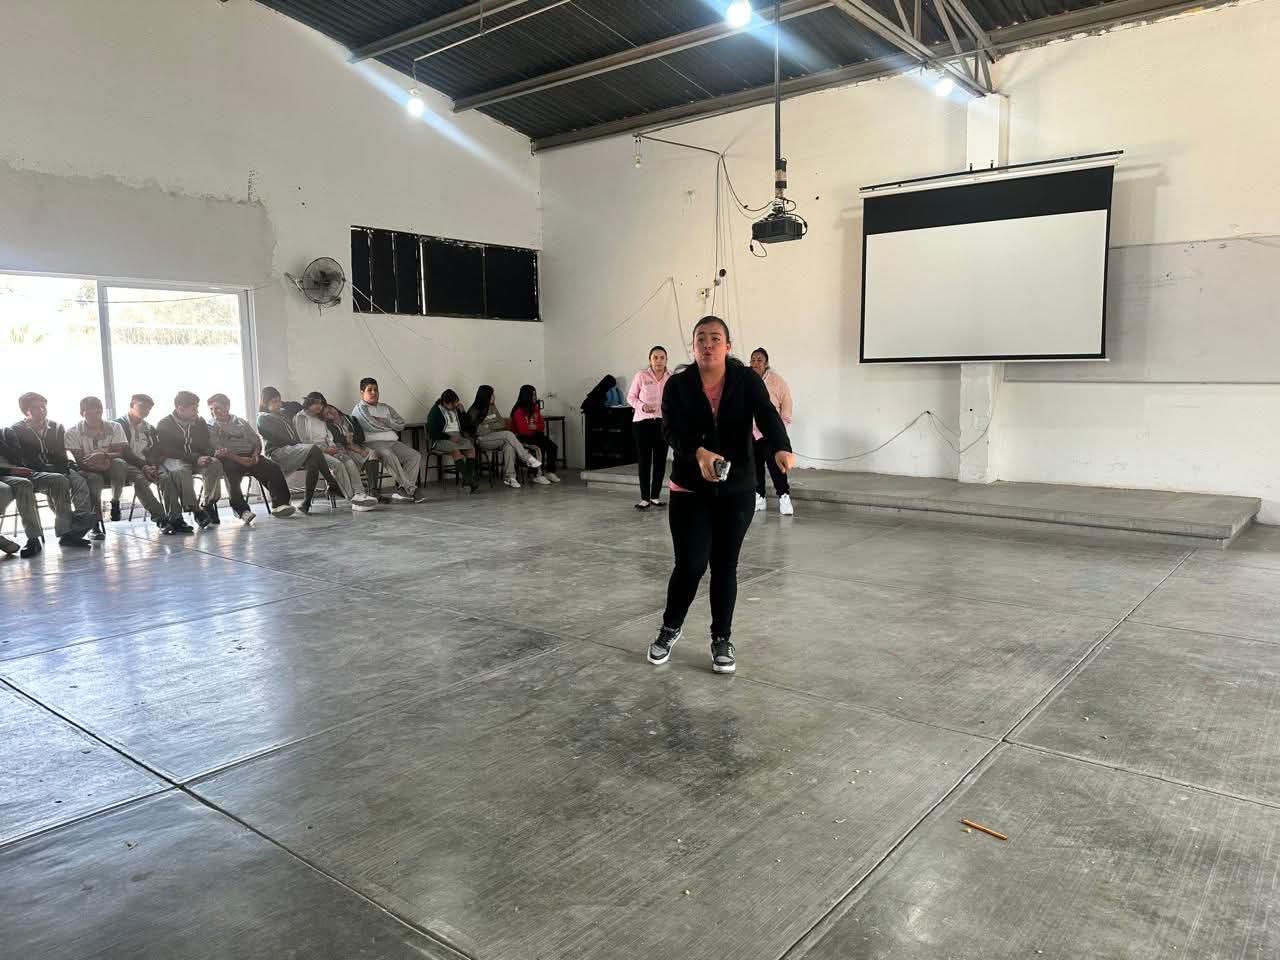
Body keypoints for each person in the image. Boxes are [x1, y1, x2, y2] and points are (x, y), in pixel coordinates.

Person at [647, 316, 795, 675]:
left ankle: (721, 639)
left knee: (725, 566)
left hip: (736, 490)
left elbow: (767, 414)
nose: (708, 345)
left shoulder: (746, 380)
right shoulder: (679, 384)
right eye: (701, 338)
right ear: (693, 346)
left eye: (716, 338)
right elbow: (670, 430)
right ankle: (670, 628)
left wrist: (781, 446)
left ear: (728, 346)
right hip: (689, 489)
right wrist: (698, 453)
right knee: (691, 564)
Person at [9, 392, 94, 548]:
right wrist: (50, 470)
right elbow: (24, 459)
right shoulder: (16, 430)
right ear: (26, 411)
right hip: (34, 472)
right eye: (36, 407)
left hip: (59, 468)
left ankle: (79, 522)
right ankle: (68, 531)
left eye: (43, 406)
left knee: (80, 481)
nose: (41, 410)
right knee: (58, 482)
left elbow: (61, 455)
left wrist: (61, 469)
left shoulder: (56, 427)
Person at [207, 393, 296, 522]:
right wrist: (241, 460)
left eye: (218, 408)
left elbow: (256, 441)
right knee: (231, 472)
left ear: (227, 407)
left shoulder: (241, 422)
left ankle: (281, 504)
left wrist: (255, 455)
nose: (214, 412)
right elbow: (220, 449)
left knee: (273, 468)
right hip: (230, 458)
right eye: (211, 409)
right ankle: (242, 511)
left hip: (250, 456)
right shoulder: (211, 425)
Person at [256, 387, 339, 515]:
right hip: (277, 453)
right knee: (313, 448)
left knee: (313, 462)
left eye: (279, 400)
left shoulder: (282, 413)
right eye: (274, 401)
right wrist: (299, 445)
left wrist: (283, 404)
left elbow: (296, 405)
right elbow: (279, 439)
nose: (278, 404)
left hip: (292, 450)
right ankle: (332, 483)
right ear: (265, 403)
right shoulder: (263, 418)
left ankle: (306, 503)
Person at [116, 393, 187, 534]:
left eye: (149, 409)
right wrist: (144, 466)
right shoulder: (118, 425)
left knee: (166, 478)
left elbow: (155, 450)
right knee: (141, 481)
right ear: (132, 405)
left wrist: (153, 465)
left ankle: (176, 519)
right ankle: (161, 519)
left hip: (148, 464)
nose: (146, 411)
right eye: (142, 406)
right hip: (129, 464)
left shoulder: (149, 428)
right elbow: (124, 452)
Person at [293, 391, 377, 510]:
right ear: (309, 402)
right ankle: (353, 498)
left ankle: (360, 493)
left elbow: (328, 435)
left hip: (329, 446)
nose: (319, 406)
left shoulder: (320, 417)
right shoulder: (300, 417)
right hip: (313, 451)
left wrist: (335, 448)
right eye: (316, 403)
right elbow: (305, 441)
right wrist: (326, 449)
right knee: (338, 465)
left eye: (321, 403)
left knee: (349, 462)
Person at [156, 390, 225, 529]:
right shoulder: (164, 424)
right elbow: (168, 450)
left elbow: (205, 444)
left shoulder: (199, 422)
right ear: (180, 408)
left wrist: (209, 454)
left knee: (214, 463)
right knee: (180, 470)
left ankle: (207, 504)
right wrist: (196, 458)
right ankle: (196, 510)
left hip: (196, 459)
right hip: (174, 458)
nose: (197, 411)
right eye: (194, 408)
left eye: (197, 407)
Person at [350, 378, 421, 503]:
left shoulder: (385, 407)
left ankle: (403, 490)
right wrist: (391, 424)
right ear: (362, 393)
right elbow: (372, 425)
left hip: (392, 442)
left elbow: (401, 424)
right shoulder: (360, 409)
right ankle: (411, 489)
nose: (374, 393)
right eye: (370, 390)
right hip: (373, 444)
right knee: (388, 454)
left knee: (414, 456)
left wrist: (385, 421)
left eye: (376, 390)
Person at [64, 396, 129, 530]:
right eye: (90, 412)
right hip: (88, 469)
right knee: (95, 480)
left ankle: (115, 501)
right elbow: (79, 461)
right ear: (82, 413)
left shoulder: (115, 427)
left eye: (98, 411)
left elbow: (119, 453)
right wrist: (98, 467)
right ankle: (96, 523)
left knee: (120, 463)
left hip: (109, 465)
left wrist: (104, 455)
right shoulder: (72, 432)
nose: (95, 415)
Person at [0, 426, 64, 557]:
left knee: (58, 479)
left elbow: (17, 457)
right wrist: (10, 470)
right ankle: (34, 538)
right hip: (5, 474)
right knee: (23, 484)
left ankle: (67, 532)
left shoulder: (6, 433)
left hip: (19, 471)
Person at [749, 347, 796, 516]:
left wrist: (779, 428)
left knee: (776, 466)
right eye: (753, 360)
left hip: (770, 431)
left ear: (766, 363)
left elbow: (786, 402)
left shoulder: (777, 381)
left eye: (759, 360)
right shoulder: (745, 378)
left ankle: (784, 496)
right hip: (750, 432)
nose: (755, 363)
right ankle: (759, 497)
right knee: (755, 466)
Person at [467, 386, 542, 488]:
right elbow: (477, 430)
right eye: (492, 395)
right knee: (508, 434)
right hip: (482, 440)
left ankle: (510, 477)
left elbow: (502, 423)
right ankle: (526, 457)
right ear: (486, 396)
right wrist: (492, 427)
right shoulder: (475, 410)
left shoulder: (493, 407)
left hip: (496, 437)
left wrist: (488, 426)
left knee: (509, 445)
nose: (494, 397)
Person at [627, 346, 672, 510]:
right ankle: (644, 498)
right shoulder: (641, 375)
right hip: (642, 424)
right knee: (644, 460)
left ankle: (655, 497)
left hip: (662, 423)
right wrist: (642, 406)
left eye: (662, 358)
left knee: (660, 461)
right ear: (650, 360)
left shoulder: (671, 378)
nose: (658, 361)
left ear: (666, 360)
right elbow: (630, 397)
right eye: (655, 357)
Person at [427, 389, 480, 493]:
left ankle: (467, 482)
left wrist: (463, 412)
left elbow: (466, 426)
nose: (455, 405)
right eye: (452, 403)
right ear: (445, 402)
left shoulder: (456, 409)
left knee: (471, 449)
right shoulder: (435, 411)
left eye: (456, 402)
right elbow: (433, 432)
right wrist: (448, 437)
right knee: (455, 450)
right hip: (442, 439)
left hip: (457, 437)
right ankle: (469, 480)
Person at [511, 385, 560, 483]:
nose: (535, 397)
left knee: (552, 446)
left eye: (535, 395)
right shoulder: (518, 411)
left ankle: (550, 472)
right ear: (527, 396)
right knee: (538, 448)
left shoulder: (535, 408)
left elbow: (542, 425)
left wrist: (534, 427)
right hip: (522, 438)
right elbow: (523, 431)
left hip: (536, 435)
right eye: (533, 395)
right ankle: (537, 475)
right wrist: (534, 427)